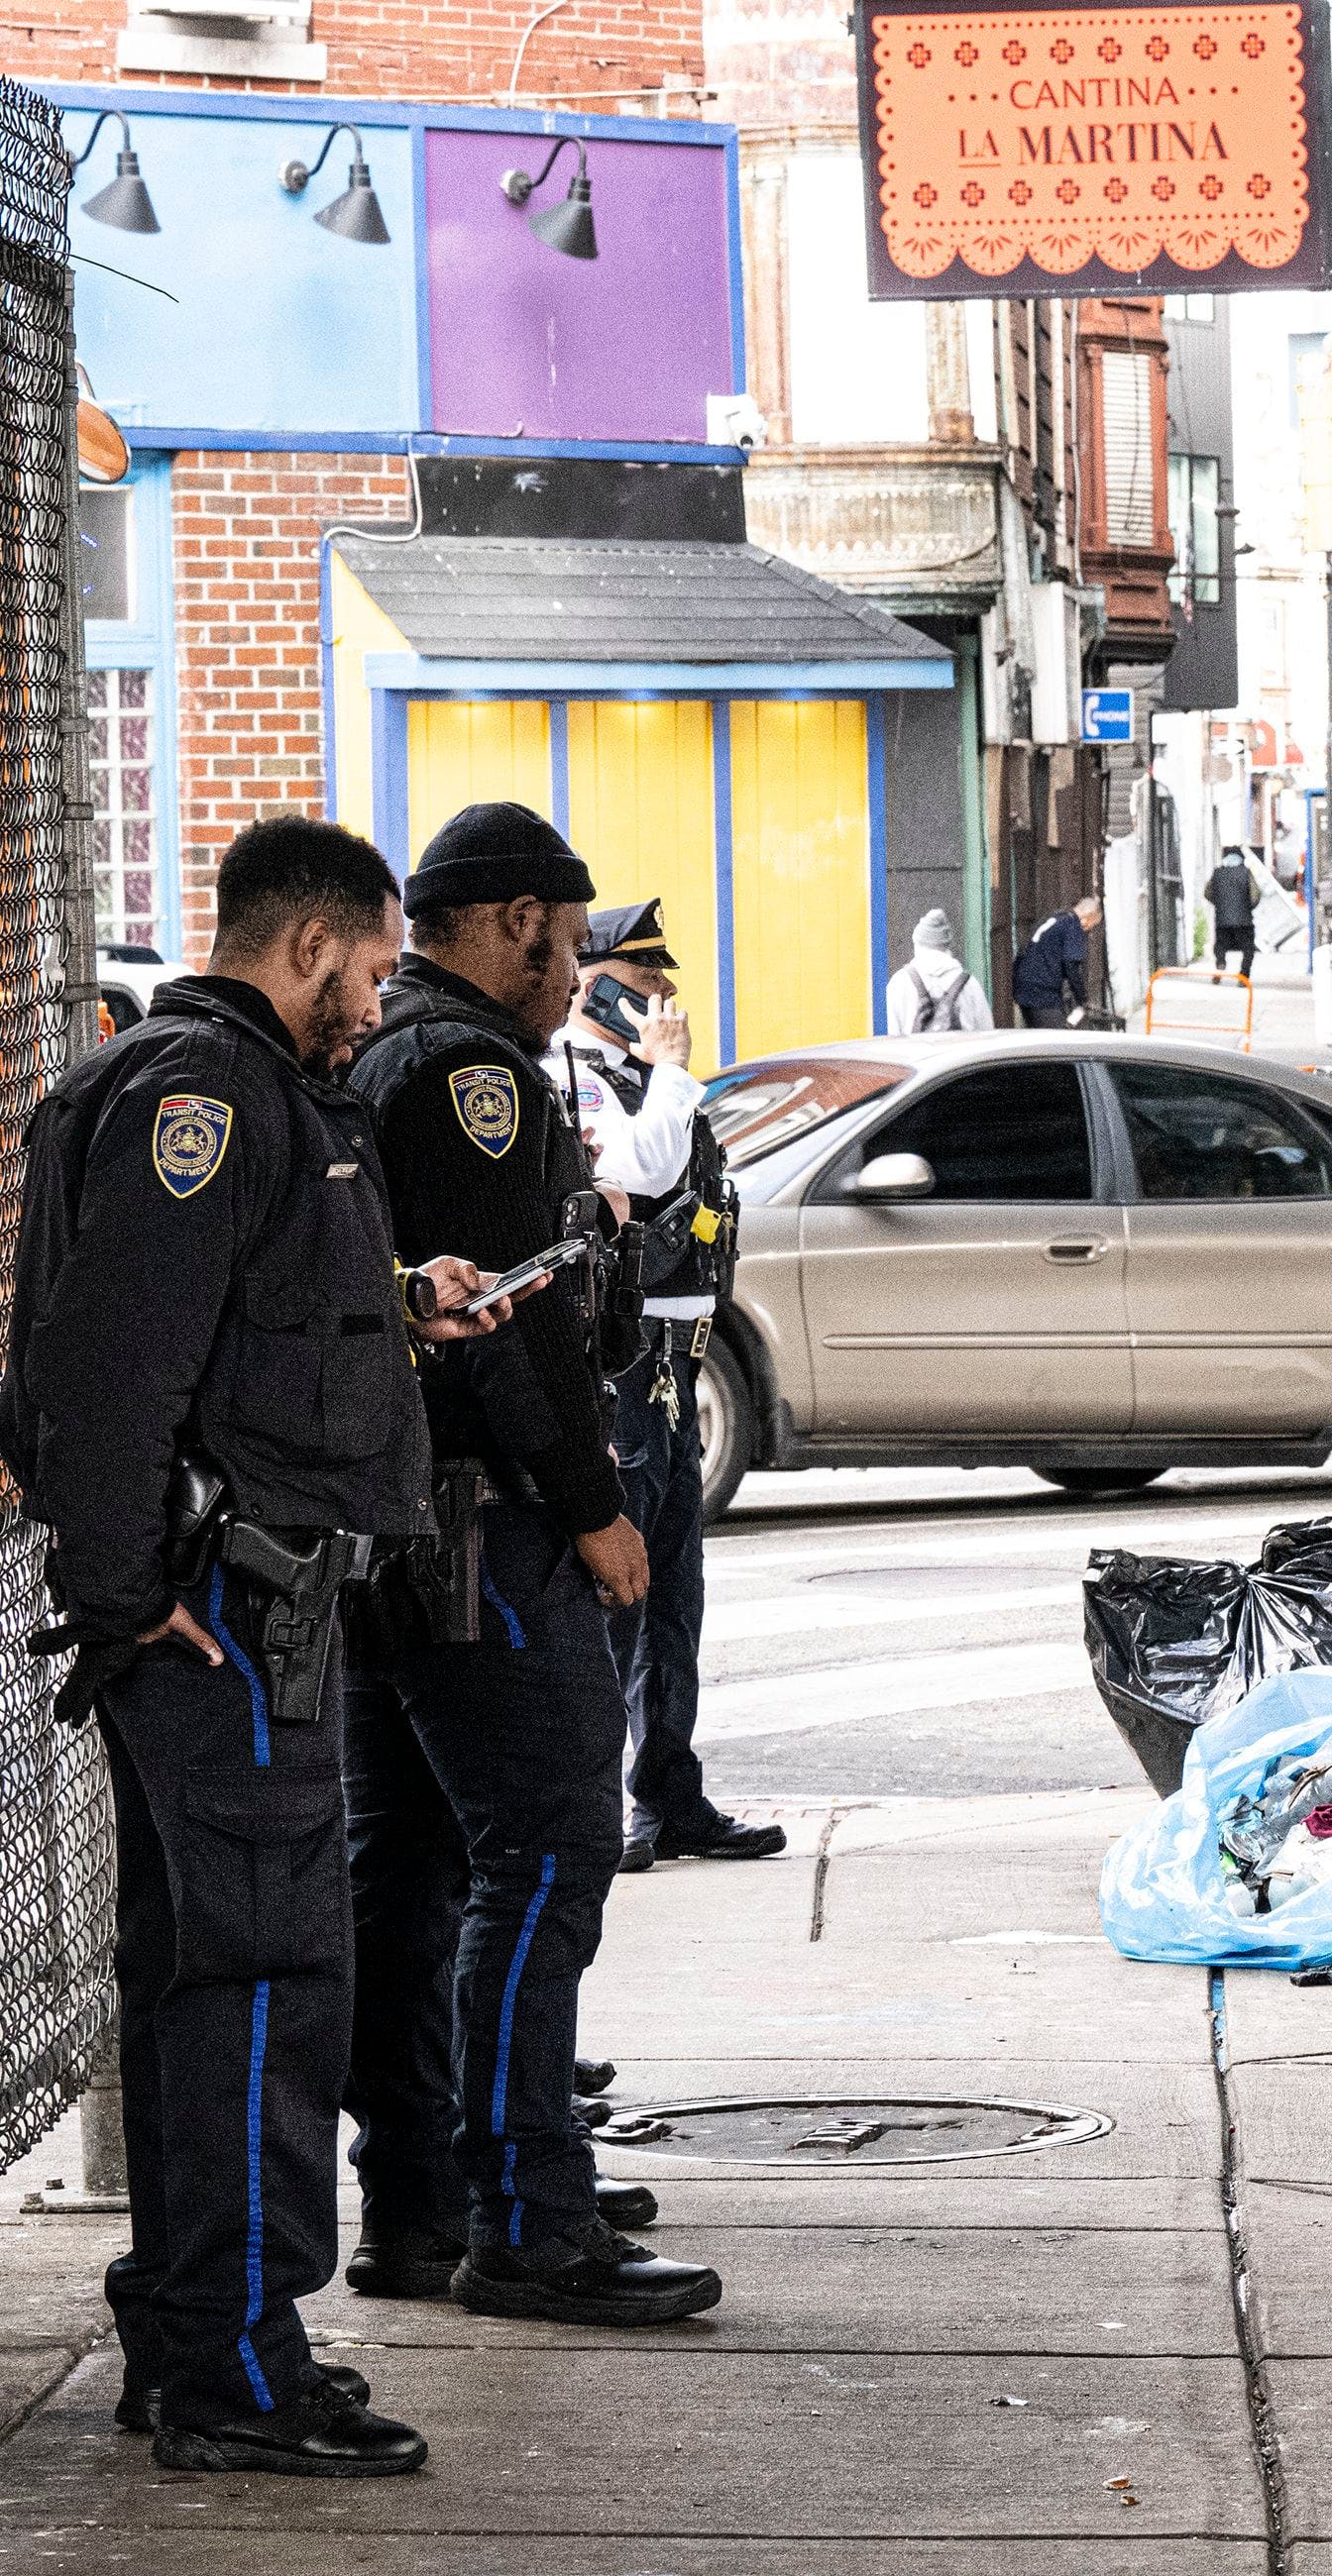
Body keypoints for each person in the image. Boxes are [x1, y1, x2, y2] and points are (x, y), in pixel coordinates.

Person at [0, 815, 520, 2476]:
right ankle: (234, 2365)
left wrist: (393, 1287)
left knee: (205, 1977)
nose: (376, 1001)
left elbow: (235, 1310)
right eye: (368, 971)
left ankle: (196, 2335)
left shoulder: (220, 1092)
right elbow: (118, 1358)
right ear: (307, 947)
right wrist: (125, 1586)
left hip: (232, 1601)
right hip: (225, 1612)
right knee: (261, 1980)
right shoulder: (201, 1098)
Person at [336, 802, 722, 2329]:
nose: (584, 976)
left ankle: (420, 2200)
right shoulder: (471, 1071)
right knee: (549, 1855)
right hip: (484, 1526)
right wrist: (594, 1510)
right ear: (508, 925)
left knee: (415, 1873)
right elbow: (518, 1330)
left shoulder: (381, 1051)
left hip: (395, 1533)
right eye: (569, 945)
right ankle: (528, 2218)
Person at [551, 900, 780, 1874]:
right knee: (626, 1592)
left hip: (679, 1361)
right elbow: (633, 1178)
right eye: (646, 981)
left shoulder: (644, 1079)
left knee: (677, 1595)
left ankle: (669, 1796)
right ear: (600, 979)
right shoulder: (582, 1077)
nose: (665, 999)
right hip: (630, 1357)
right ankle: (606, 1808)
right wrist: (674, 1071)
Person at [886, 908, 990, 1034]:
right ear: (946, 945)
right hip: (960, 1053)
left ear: (917, 943)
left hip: (914, 1053)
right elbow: (987, 1033)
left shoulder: (899, 982)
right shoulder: (970, 984)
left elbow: (892, 1036)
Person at [1012, 893, 1100, 1028]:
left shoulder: (1055, 918)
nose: (1088, 930)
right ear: (1087, 918)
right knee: (1056, 1041)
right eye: (1090, 926)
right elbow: (1071, 965)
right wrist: (1082, 998)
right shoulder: (1072, 924)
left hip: (1024, 988)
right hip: (1043, 994)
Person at [1206, 847, 1262, 983]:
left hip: (1222, 919)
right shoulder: (1246, 872)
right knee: (1248, 949)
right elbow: (1255, 895)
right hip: (1244, 920)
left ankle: (1220, 963)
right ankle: (1243, 976)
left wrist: (1220, 904)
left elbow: (1207, 893)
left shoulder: (1217, 873)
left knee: (1220, 945)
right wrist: (1247, 907)